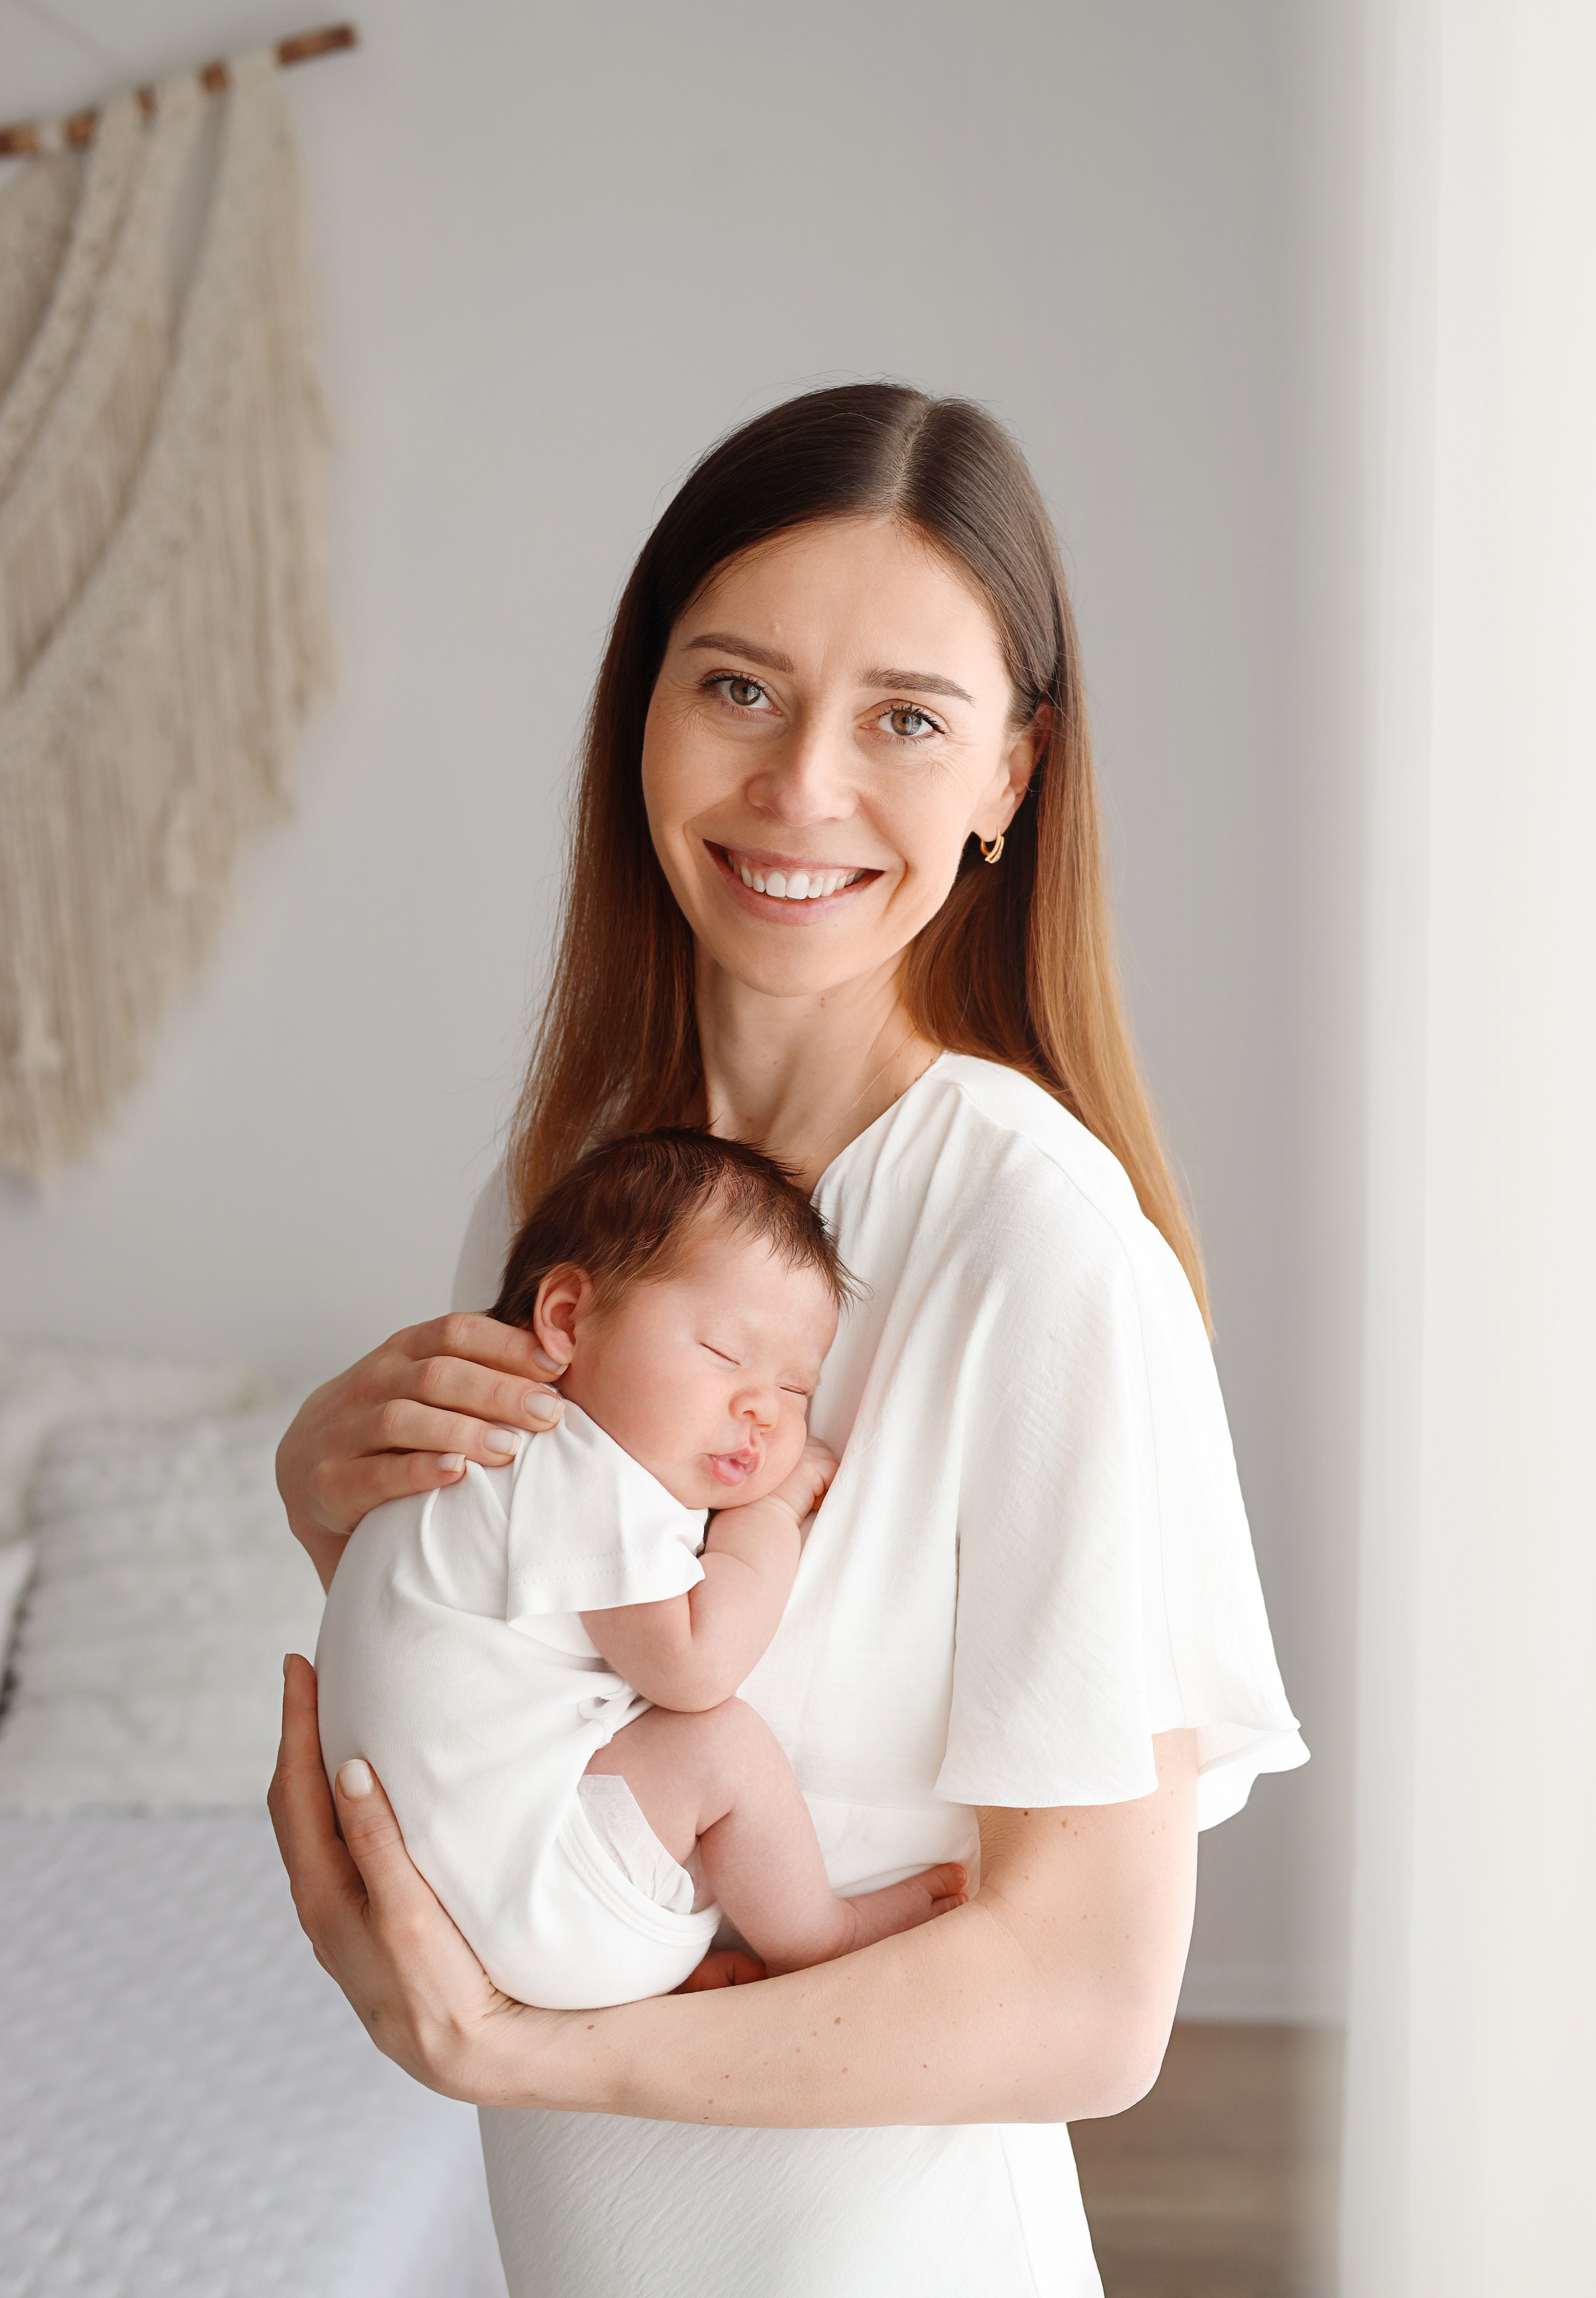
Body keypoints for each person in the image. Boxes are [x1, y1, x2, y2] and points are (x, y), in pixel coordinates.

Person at [271, 383, 1306, 2297]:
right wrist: (332, 1508)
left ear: (1015, 775)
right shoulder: (566, 1208)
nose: (802, 786)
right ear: (642, 710)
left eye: (907, 720)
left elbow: (1089, 2006)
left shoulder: (1038, 1249)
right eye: (737, 688)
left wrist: (534, 2055)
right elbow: (522, 1699)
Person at [313, 1126, 968, 2011]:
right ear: (569, 1320)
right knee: (718, 1742)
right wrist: (766, 1518)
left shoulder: (482, 1458)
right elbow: (695, 1665)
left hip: (471, 1903)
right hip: (541, 1902)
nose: (763, 1412)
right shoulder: (570, 1461)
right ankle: (821, 1934)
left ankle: (646, 1963)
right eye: (727, 1355)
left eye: (796, 1389)